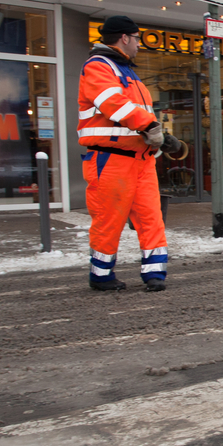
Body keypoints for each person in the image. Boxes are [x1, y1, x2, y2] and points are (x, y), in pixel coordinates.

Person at [77, 16, 168, 292]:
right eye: (137, 38)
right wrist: (150, 126)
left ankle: (155, 273)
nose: (139, 44)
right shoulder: (98, 67)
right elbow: (112, 104)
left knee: (151, 217)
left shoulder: (127, 71)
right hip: (110, 159)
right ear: (125, 38)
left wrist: (157, 138)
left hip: (141, 160)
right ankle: (101, 275)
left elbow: (136, 114)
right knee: (108, 218)